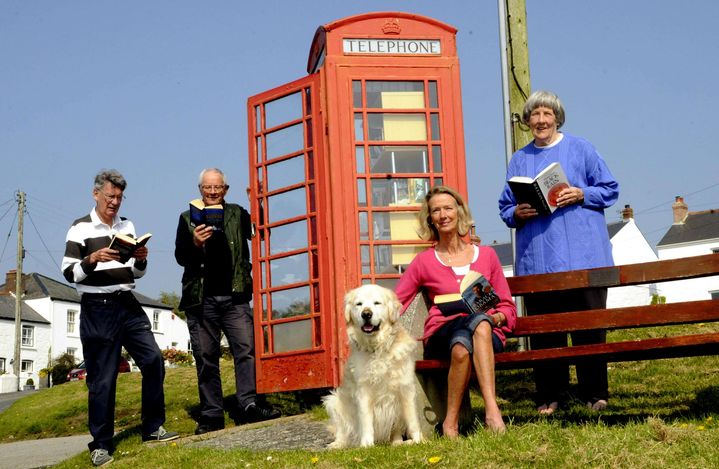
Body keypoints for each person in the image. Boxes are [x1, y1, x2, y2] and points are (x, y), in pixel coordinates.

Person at [498, 90, 620, 415]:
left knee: (589, 329)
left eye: (546, 114)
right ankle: (550, 395)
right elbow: (505, 207)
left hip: (585, 258)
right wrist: (516, 213)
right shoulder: (519, 159)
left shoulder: (581, 148)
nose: (541, 120)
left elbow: (610, 188)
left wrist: (582, 193)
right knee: (544, 333)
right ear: (527, 121)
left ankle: (595, 393)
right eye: (534, 115)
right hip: (538, 262)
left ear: (557, 117)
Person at [62, 169, 178, 467]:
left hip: (127, 302)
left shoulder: (127, 225)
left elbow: (136, 273)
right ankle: (100, 445)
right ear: (96, 194)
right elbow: (68, 272)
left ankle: (153, 427)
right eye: (110, 196)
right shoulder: (79, 228)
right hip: (97, 306)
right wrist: (92, 259)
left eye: (119, 197)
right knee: (103, 378)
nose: (114, 202)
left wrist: (140, 257)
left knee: (153, 360)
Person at [395, 186, 517, 436]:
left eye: (448, 208)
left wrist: (496, 317)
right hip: (442, 332)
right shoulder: (423, 262)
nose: (443, 215)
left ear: (459, 213)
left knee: (470, 335)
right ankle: (491, 414)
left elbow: (507, 305)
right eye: (436, 210)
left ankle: (455, 422)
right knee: (469, 331)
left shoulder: (487, 256)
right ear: (430, 219)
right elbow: (397, 302)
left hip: (485, 331)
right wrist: (369, 320)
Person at [175, 168, 280, 435]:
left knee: (245, 351)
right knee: (206, 357)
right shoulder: (187, 218)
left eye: (217, 188)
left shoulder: (236, 213)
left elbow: (261, 232)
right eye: (207, 188)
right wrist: (195, 243)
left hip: (235, 297)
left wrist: (257, 201)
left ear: (226, 190)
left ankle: (249, 404)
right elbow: (180, 257)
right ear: (200, 190)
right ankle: (211, 414)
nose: (212, 192)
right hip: (201, 299)